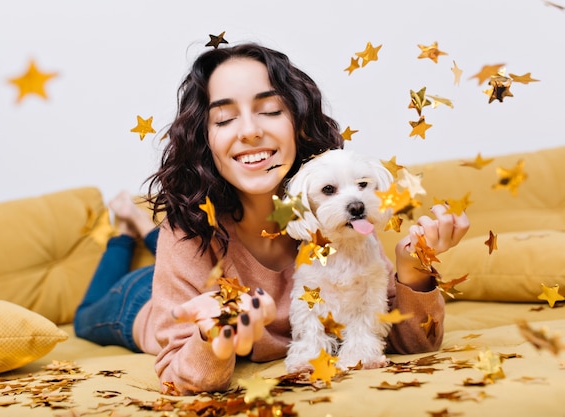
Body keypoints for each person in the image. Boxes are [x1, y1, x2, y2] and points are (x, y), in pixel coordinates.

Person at [74, 43, 470, 395]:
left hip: (185, 268)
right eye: (224, 119)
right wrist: (214, 335)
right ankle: (125, 234)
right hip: (136, 303)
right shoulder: (189, 232)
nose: (249, 131)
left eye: (269, 110)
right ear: (204, 140)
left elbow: (409, 340)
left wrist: (412, 269)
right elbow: (181, 376)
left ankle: (138, 227)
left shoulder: (331, 209)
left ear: (297, 122)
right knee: (85, 314)